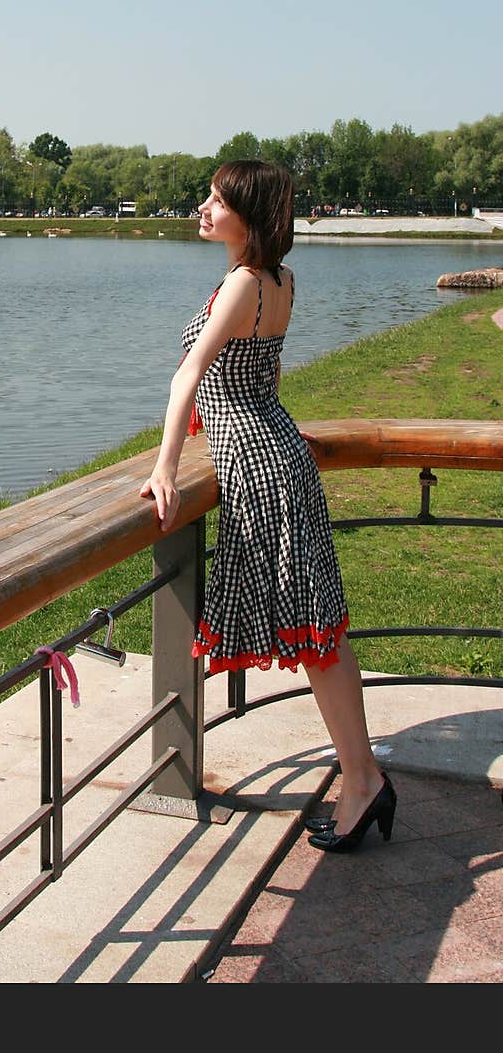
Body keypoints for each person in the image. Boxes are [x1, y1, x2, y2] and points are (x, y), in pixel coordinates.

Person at [139, 159, 396, 853]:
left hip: (258, 466)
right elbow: (267, 369)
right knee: (320, 631)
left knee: (314, 634)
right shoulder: (280, 281)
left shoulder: (242, 283)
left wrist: (165, 468)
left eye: (215, 201)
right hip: (277, 449)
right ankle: (363, 775)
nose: (202, 208)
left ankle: (363, 780)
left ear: (246, 218)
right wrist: (274, 421)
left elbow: (187, 375)